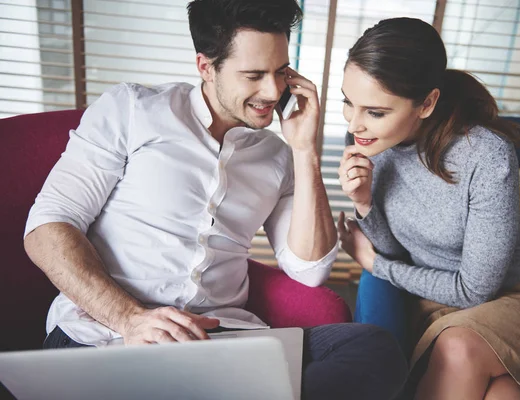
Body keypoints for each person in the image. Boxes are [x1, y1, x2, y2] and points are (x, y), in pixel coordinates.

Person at [23, 1, 407, 399]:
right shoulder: (132, 110)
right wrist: (130, 319)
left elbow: (310, 269)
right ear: (206, 67)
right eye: (254, 75)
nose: (273, 92)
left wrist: (304, 149)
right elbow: (47, 227)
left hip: (223, 340)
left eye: (280, 72)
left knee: (372, 348)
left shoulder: (278, 154)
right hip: (107, 335)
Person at [337, 17, 520, 400]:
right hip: (436, 305)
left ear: (427, 102)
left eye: (375, 112)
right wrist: (365, 202)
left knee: (459, 349)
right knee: (504, 395)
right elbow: (400, 250)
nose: (355, 124)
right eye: (348, 103)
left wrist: (377, 266)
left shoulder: (486, 156)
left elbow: (473, 290)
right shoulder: (373, 146)